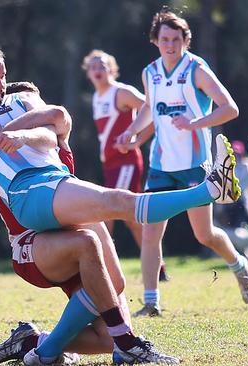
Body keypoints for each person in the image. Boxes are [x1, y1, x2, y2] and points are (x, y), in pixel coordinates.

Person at [0, 40, 202, 364]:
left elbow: (54, 125)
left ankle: (36, 343)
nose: (0, 86)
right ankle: (127, 347)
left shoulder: (18, 105)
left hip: (67, 215)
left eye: (3, 77)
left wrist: (11, 133)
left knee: (109, 326)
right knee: (93, 240)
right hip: (31, 240)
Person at [115, 10, 248, 317]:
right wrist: (131, 130)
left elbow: (229, 108)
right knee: (151, 234)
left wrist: (196, 123)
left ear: (185, 40)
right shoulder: (149, 72)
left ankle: (238, 264)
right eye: (164, 39)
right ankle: (151, 302)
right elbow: (150, 109)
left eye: (176, 40)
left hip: (195, 165)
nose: (170, 45)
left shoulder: (197, 69)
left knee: (204, 235)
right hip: (160, 165)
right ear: (155, 40)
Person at [82, 50, 170, 281]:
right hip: (110, 164)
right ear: (88, 73)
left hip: (126, 163)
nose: (98, 69)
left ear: (112, 68)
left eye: (102, 65)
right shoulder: (97, 98)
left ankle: (101, 268)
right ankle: (158, 267)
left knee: (108, 211)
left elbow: (152, 110)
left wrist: (138, 140)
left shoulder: (121, 92)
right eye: (93, 66)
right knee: (132, 219)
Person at [214, 140, 248, 261]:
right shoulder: (226, 165)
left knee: (241, 230)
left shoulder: (247, 164)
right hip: (229, 203)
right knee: (233, 230)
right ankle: (237, 254)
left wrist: (234, 193)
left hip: (242, 202)